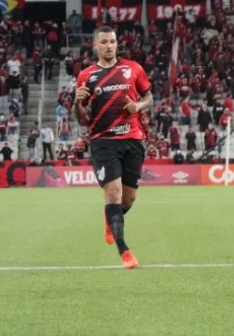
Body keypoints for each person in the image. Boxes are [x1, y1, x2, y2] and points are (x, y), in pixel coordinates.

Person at [73, 26, 153, 269]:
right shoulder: (86, 76)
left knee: (128, 199)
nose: (109, 46)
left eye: (112, 42)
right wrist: (77, 102)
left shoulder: (133, 69)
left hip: (132, 139)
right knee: (114, 193)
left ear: (117, 44)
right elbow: (81, 117)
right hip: (103, 141)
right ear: (96, 46)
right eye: (104, 42)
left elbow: (149, 98)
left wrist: (138, 107)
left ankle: (111, 216)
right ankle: (125, 252)